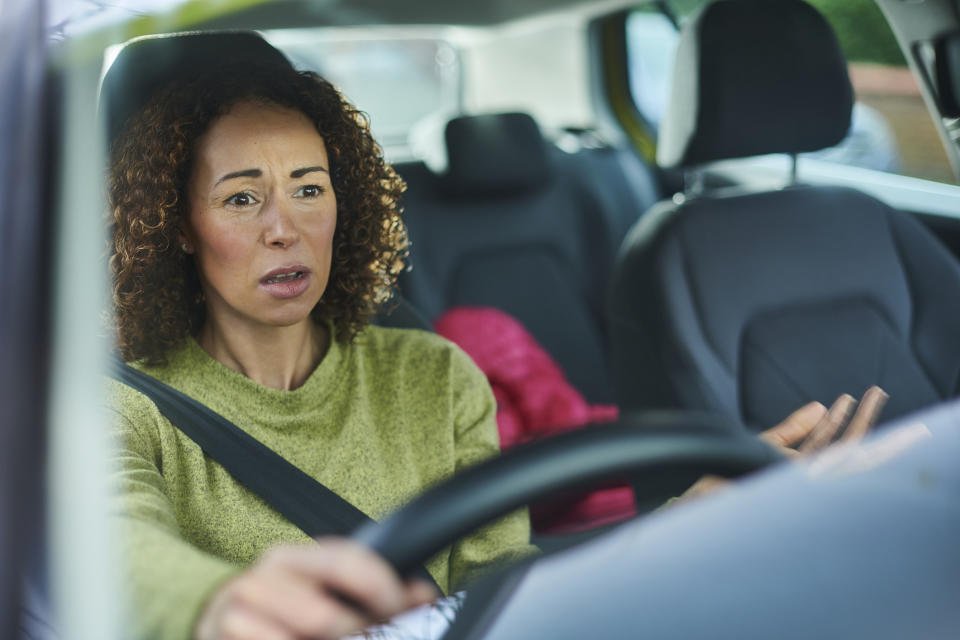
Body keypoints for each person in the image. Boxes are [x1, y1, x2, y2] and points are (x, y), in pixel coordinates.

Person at [105, 51, 888, 640]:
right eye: (242, 197)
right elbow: (117, 544)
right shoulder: (128, 406)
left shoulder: (432, 373)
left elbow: (502, 587)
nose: (286, 226)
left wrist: (692, 517)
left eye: (310, 188)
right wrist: (214, 606)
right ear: (175, 225)